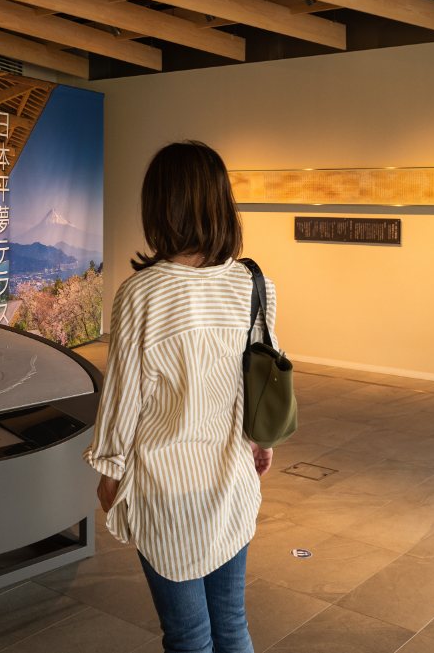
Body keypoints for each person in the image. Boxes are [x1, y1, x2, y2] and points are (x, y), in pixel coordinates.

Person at [85, 140, 277, 653]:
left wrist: (110, 468)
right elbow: (260, 379)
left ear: (159, 207)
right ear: (221, 203)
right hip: (231, 476)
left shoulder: (141, 293)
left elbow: (122, 396)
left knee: (189, 635)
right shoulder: (253, 283)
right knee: (231, 624)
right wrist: (261, 441)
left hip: (165, 485)